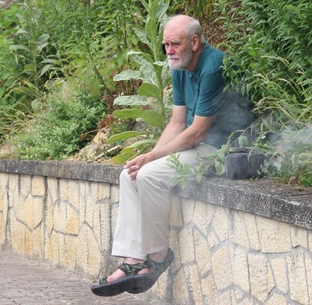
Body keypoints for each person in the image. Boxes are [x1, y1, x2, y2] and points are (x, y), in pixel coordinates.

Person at [92, 15, 254, 297]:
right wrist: (148, 154)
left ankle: (157, 256)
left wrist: (152, 159)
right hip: (195, 145)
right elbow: (178, 123)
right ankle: (133, 260)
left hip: (221, 149)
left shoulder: (213, 66)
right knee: (129, 174)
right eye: (166, 44)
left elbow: (198, 133)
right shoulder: (180, 66)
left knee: (151, 175)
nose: (169, 50)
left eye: (174, 44)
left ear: (194, 41)